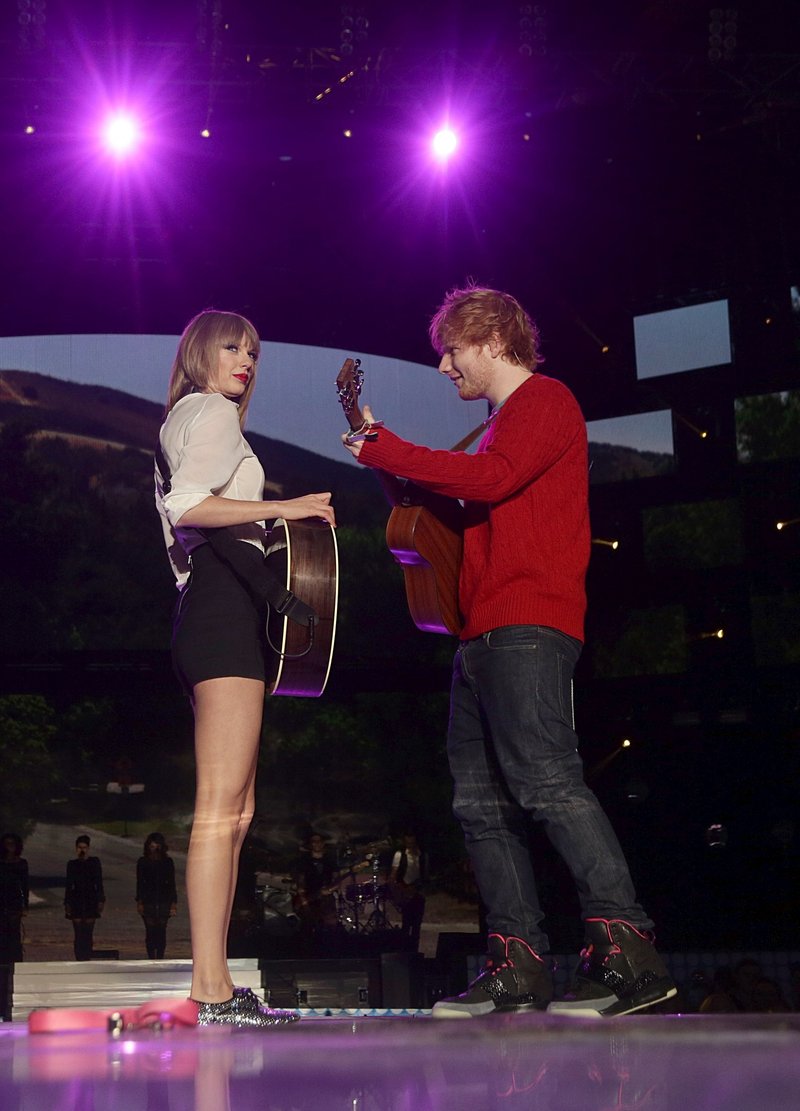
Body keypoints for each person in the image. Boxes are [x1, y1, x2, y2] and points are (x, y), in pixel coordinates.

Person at [343, 284, 677, 1018]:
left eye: (450, 349)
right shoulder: (496, 428)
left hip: (529, 624)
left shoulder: (546, 402)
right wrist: (385, 464)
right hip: (481, 632)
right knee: (481, 804)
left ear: (492, 339)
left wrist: (394, 445)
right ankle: (517, 966)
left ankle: (630, 953)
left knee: (550, 784)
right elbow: (464, 514)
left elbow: (491, 482)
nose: (441, 366)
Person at [155, 309, 335, 1028]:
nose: (246, 360)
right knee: (219, 810)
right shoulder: (212, 412)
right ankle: (209, 990)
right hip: (223, 614)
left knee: (235, 811)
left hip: (211, 611)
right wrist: (286, 506)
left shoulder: (181, 418)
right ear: (200, 351)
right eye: (232, 346)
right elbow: (190, 505)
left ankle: (217, 982)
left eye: (254, 351)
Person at [293, 832, 341, 948]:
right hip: (310, 896)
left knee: (331, 923)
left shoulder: (330, 860)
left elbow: (337, 880)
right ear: (310, 845)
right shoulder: (304, 861)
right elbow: (301, 881)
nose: (317, 844)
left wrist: (331, 889)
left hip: (326, 897)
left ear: (323, 843)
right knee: (308, 924)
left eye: (319, 841)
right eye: (314, 842)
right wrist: (304, 899)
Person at [136, 832, 178, 959]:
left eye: (157, 846)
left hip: (164, 899)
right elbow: (140, 883)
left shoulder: (167, 862)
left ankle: (160, 955)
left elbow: (171, 882)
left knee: (161, 929)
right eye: (152, 846)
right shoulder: (143, 862)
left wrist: (173, 903)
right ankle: (151, 956)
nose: (154, 849)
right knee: (150, 929)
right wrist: (139, 901)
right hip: (148, 899)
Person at [64, 835, 105, 961]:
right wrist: (67, 902)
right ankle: (79, 957)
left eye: (85, 847)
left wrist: (101, 899)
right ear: (76, 849)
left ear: (88, 848)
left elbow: (98, 882)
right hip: (76, 899)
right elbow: (69, 884)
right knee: (78, 933)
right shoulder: (72, 864)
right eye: (80, 847)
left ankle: (87, 956)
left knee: (88, 932)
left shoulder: (94, 862)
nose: (82, 850)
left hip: (90, 899)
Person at [388, 830, 427, 951]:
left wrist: (418, 887)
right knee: (406, 923)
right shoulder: (400, 855)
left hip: (418, 892)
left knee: (416, 925)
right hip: (404, 891)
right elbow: (394, 875)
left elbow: (425, 874)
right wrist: (399, 891)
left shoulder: (423, 855)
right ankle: (405, 950)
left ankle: (414, 950)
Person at [0, 833, 29, 964]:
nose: (9, 847)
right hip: (2, 899)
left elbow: (25, 885)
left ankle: (15, 960)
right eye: (7, 844)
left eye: (12, 844)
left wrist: (25, 905)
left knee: (14, 932)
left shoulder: (21, 863)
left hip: (14, 900)